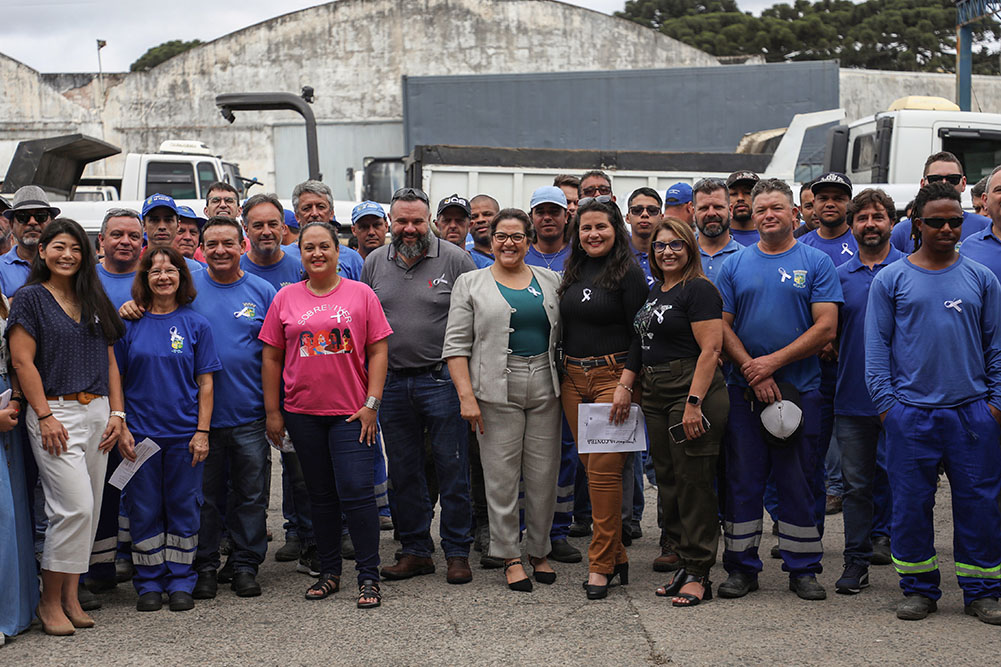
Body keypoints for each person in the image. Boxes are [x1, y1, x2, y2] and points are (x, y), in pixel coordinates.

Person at [866, 182, 1001, 625]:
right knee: (910, 505)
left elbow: (997, 348)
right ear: (916, 224)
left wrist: (994, 405)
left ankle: (981, 591)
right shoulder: (892, 278)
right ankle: (919, 589)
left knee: (979, 504)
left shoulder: (981, 278)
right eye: (937, 221)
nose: (947, 229)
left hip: (973, 415)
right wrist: (890, 409)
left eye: (955, 221)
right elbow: (876, 350)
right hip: (910, 415)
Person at [715, 178, 842, 601]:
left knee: (798, 482)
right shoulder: (735, 264)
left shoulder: (816, 263)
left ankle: (803, 568)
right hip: (743, 393)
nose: (768, 214)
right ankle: (741, 568)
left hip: (800, 391)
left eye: (777, 207)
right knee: (743, 481)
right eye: (761, 208)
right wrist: (753, 369)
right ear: (751, 214)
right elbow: (722, 326)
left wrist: (773, 363)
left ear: (794, 214)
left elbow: (826, 326)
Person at [261, 221, 391, 609]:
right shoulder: (285, 298)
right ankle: (330, 572)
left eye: (324, 247)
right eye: (308, 248)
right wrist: (273, 411)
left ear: (338, 251)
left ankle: (369, 575)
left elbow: (379, 351)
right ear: (299, 254)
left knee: (356, 492)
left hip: (353, 415)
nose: (317, 254)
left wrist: (372, 403)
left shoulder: (361, 294)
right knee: (319, 496)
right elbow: (271, 356)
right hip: (302, 414)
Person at [8, 218, 128, 634]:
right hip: (54, 414)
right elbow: (22, 361)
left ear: (87, 254)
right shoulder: (30, 298)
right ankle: (48, 601)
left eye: (75, 248)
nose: (67, 255)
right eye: (58, 246)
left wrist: (118, 413)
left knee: (88, 511)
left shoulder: (93, 296)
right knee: (71, 508)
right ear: (42, 252)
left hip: (97, 413)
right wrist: (43, 415)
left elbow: (110, 361)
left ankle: (71, 597)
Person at [360, 187, 476, 585]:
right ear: (391, 222)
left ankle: (458, 552)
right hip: (392, 384)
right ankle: (415, 551)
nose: (410, 229)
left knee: (452, 468)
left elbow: (473, 321)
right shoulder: (374, 261)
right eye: (402, 221)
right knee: (405, 472)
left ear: (431, 222)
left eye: (417, 221)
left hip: (441, 380)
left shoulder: (457, 259)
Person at [443, 208, 562, 592]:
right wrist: (467, 397)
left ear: (529, 241)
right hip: (495, 388)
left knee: (544, 476)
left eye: (516, 236)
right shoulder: (470, 282)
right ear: (491, 240)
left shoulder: (551, 280)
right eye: (501, 236)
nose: (508, 243)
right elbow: (456, 346)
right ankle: (510, 555)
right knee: (501, 479)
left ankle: (539, 552)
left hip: (545, 383)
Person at [116, 247, 221, 613]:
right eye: (155, 271)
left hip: (184, 436)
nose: (163, 276)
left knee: (183, 508)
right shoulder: (129, 324)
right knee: (143, 508)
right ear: (144, 277)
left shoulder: (197, 325)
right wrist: (122, 425)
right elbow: (118, 379)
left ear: (182, 276)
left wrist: (202, 432)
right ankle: (148, 582)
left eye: (170, 270)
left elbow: (205, 383)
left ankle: (180, 580)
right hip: (140, 437)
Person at [635, 217, 728, 607]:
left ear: (689, 247)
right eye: (660, 246)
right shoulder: (657, 290)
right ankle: (682, 561)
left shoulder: (699, 289)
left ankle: (699, 571)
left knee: (693, 483)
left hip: (689, 391)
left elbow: (711, 350)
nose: (667, 251)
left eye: (675, 245)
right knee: (669, 481)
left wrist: (693, 404)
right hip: (656, 393)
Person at [557, 196, 648, 599]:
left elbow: (640, 335)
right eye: (586, 228)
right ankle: (619, 554)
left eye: (601, 227)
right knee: (591, 469)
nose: (593, 234)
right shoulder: (573, 269)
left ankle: (601, 563)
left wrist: (628, 383)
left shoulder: (629, 273)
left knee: (606, 473)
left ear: (617, 231)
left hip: (616, 377)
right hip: (573, 379)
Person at [189, 217, 277, 601]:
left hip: (249, 416)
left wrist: (276, 410)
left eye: (228, 243)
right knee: (203, 498)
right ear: (202, 249)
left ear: (243, 245)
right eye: (212, 244)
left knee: (251, 495)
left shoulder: (263, 291)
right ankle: (205, 565)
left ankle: (244, 564)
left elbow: (277, 355)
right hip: (200, 420)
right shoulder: (187, 289)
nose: (220, 251)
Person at [238, 195, 316, 573]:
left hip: (295, 389)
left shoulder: (302, 267)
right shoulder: (229, 269)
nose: (266, 231)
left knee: (302, 473)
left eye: (273, 224)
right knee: (248, 478)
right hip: (242, 393)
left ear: (284, 228)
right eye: (258, 225)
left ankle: (304, 536)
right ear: (245, 228)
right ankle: (240, 548)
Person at [832, 188, 901, 595]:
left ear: (891, 222)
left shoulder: (910, 269)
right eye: (863, 218)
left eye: (878, 217)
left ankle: (905, 557)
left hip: (904, 400)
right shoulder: (839, 277)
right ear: (852, 225)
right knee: (856, 486)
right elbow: (830, 335)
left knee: (904, 480)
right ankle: (855, 561)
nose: (870, 224)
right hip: (853, 399)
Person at [523, 185, 581, 563]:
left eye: (554, 211)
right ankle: (519, 530)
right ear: (532, 218)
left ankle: (557, 530)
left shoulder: (580, 257)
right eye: (540, 211)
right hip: (528, 366)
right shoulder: (518, 254)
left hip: (570, 367)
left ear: (566, 216)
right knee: (522, 453)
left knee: (563, 454)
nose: (547, 217)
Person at [799, 172, 858, 519]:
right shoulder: (802, 245)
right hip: (811, 360)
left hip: (853, 358)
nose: (830, 203)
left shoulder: (860, 239)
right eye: (823, 198)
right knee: (810, 437)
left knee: (857, 440)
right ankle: (809, 509)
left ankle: (846, 495)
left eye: (838, 197)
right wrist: (820, 340)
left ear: (848, 202)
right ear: (814, 204)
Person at [0, 289, 37, 642]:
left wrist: (16, 397)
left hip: (8, 411)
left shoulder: (6, 303)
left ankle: (14, 607)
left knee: (12, 513)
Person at [889, 151, 990, 253]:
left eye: (952, 179)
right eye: (935, 179)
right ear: (923, 184)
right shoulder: (902, 232)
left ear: (963, 183)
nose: (944, 184)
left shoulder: (985, 227)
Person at [290, 180, 364, 280]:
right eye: (307, 208)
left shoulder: (352, 259)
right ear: (297, 216)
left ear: (331, 213)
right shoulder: (284, 257)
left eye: (321, 207)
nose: (315, 213)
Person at [0, 185, 58, 295]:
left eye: (41, 216)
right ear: (12, 225)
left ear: (51, 222)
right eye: (23, 217)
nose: (32, 222)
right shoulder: (1, 268)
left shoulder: (64, 263)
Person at [693, 178, 743, 285]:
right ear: (693, 213)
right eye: (704, 208)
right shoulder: (681, 253)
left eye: (718, 207)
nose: (711, 213)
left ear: (730, 210)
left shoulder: (745, 258)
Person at [140, 194, 205, 274]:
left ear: (178, 225)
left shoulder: (193, 269)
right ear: (144, 225)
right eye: (154, 220)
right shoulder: (131, 265)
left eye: (168, 220)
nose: (162, 226)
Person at [625, 187, 663, 286]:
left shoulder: (671, 254)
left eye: (652, 210)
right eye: (637, 210)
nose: (645, 214)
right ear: (627, 218)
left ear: (661, 218)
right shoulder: (616, 254)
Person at [726, 171, 760, 246]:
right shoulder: (716, 237)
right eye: (734, 194)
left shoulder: (774, 237)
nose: (740, 198)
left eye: (748, 193)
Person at [468, 195, 498, 269]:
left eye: (487, 214)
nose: (480, 220)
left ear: (499, 217)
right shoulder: (467, 260)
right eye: (474, 217)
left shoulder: (519, 255)